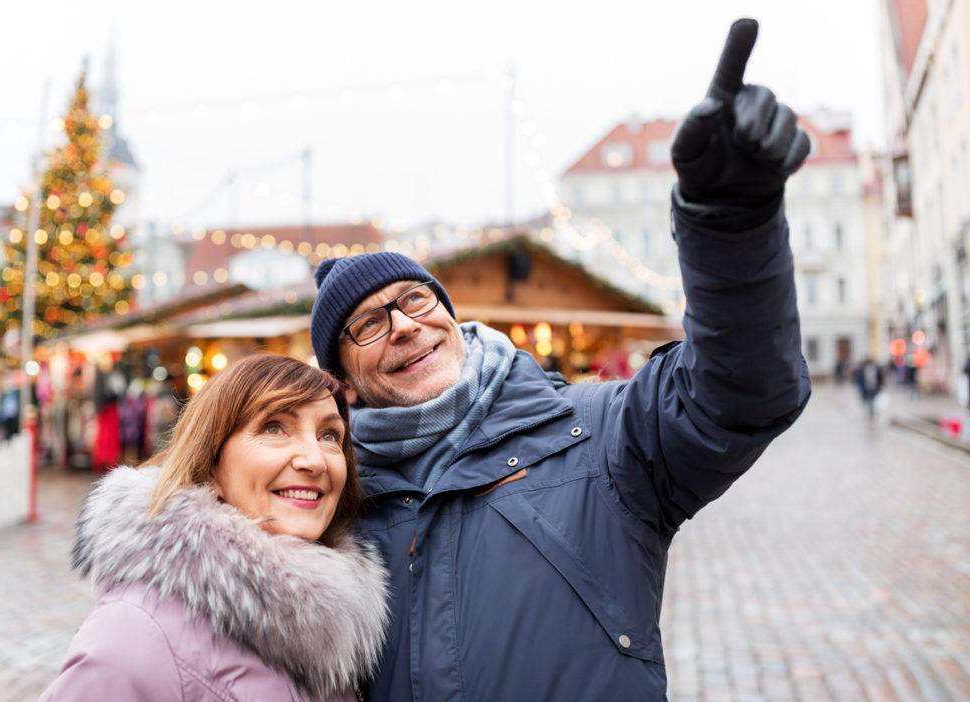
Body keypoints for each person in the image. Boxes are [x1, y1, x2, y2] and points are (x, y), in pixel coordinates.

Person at [307, 19, 811, 701]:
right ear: (344, 384)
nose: (403, 327)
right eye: (368, 323)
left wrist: (729, 222)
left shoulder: (600, 435)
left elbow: (742, 395)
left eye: (416, 300)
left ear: (454, 317)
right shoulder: (328, 508)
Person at [39, 353, 390, 702]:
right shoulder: (133, 636)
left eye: (330, 435)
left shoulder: (337, 626)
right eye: (274, 428)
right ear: (210, 463)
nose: (314, 460)